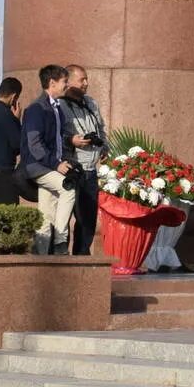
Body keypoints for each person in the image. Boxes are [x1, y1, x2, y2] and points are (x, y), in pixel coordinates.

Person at [21, 64, 77, 254]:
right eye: (64, 82)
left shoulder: (57, 108)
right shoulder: (37, 109)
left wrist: (66, 161)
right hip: (38, 166)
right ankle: (61, 241)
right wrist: (56, 164)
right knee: (68, 188)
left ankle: (40, 256)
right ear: (52, 83)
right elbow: (34, 145)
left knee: (46, 214)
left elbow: (58, 142)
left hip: (50, 166)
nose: (67, 85)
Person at [61, 65, 107, 257]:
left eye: (86, 79)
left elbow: (101, 128)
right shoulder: (59, 105)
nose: (86, 84)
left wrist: (104, 146)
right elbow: (52, 136)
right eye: (82, 80)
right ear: (69, 81)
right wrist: (71, 140)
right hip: (71, 169)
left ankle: (82, 259)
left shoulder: (91, 103)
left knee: (87, 221)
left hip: (91, 170)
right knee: (62, 219)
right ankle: (60, 259)